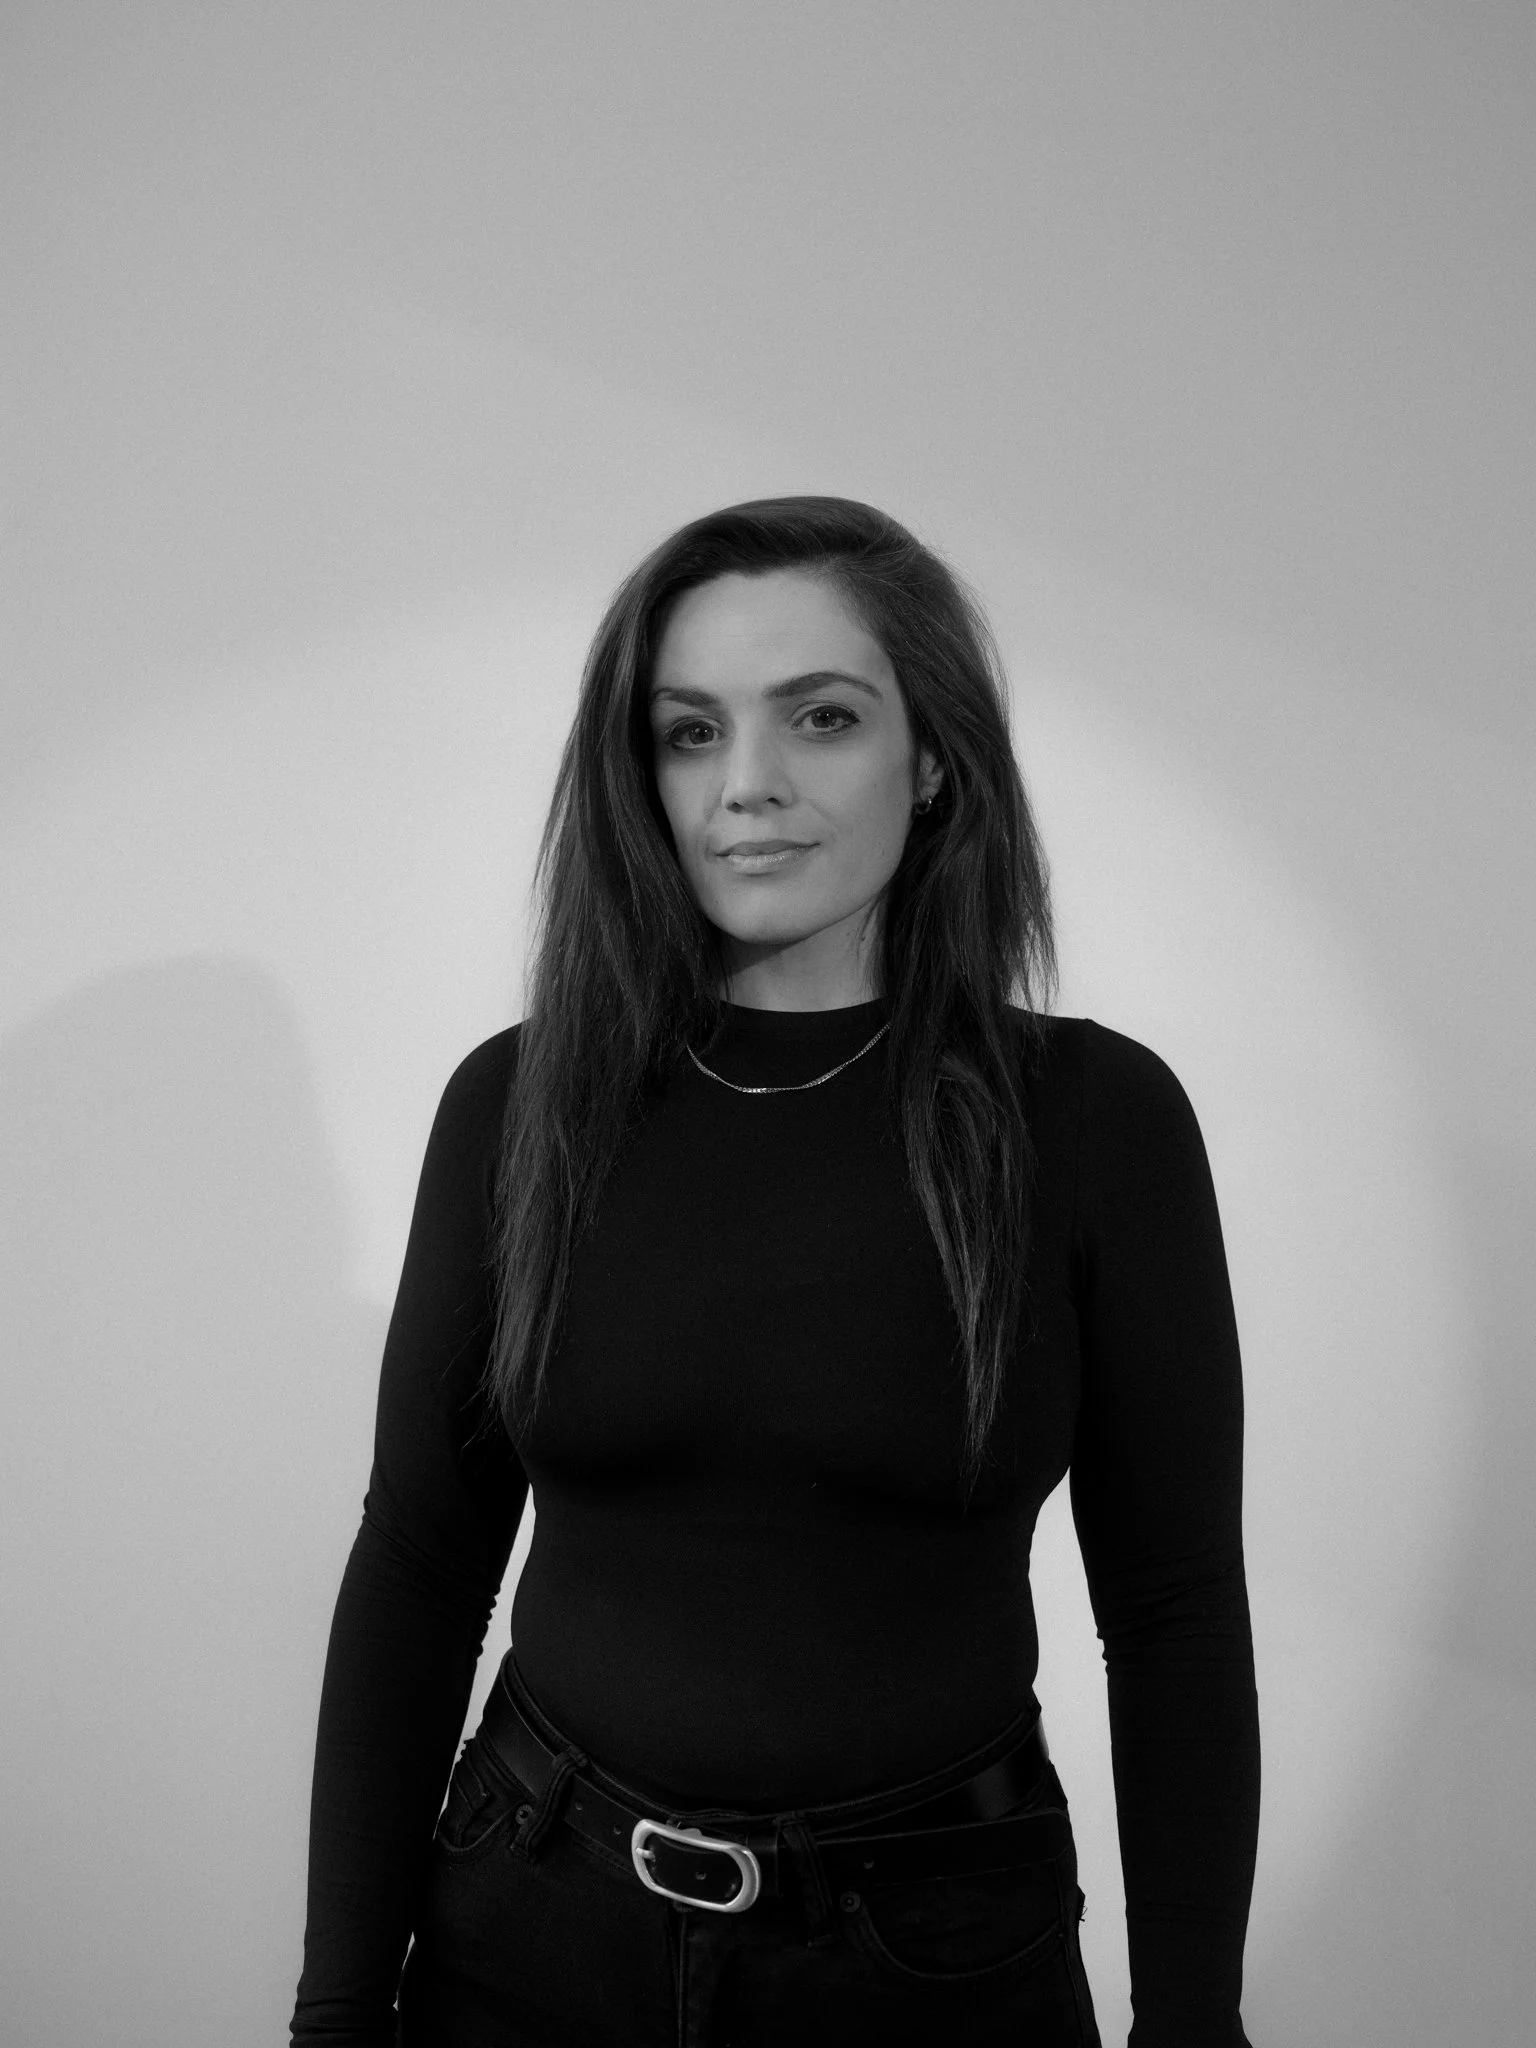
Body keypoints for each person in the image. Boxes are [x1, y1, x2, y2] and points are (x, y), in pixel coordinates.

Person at [289, 496, 1260, 2047]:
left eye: (820, 718)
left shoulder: (1089, 1118)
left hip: (935, 1952)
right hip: (529, 1922)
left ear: (932, 757)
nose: (749, 786)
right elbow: (418, 1564)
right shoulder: (523, 1105)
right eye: (689, 733)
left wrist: (1193, 2022)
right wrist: (337, 2012)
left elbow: (1173, 1607)